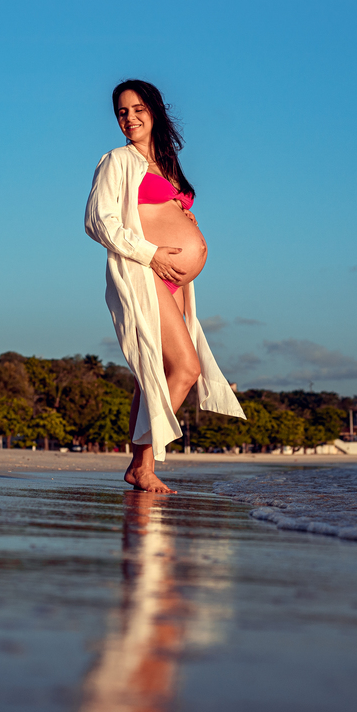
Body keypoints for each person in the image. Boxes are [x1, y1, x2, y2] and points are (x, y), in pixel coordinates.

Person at [85, 79, 245, 493]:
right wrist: (151, 254)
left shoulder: (167, 162)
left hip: (171, 283)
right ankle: (143, 463)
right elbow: (99, 221)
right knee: (187, 369)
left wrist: (184, 215)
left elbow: (162, 209)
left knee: (150, 375)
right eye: (122, 112)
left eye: (137, 109)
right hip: (143, 272)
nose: (129, 117)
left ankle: (138, 465)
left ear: (153, 111)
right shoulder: (117, 160)